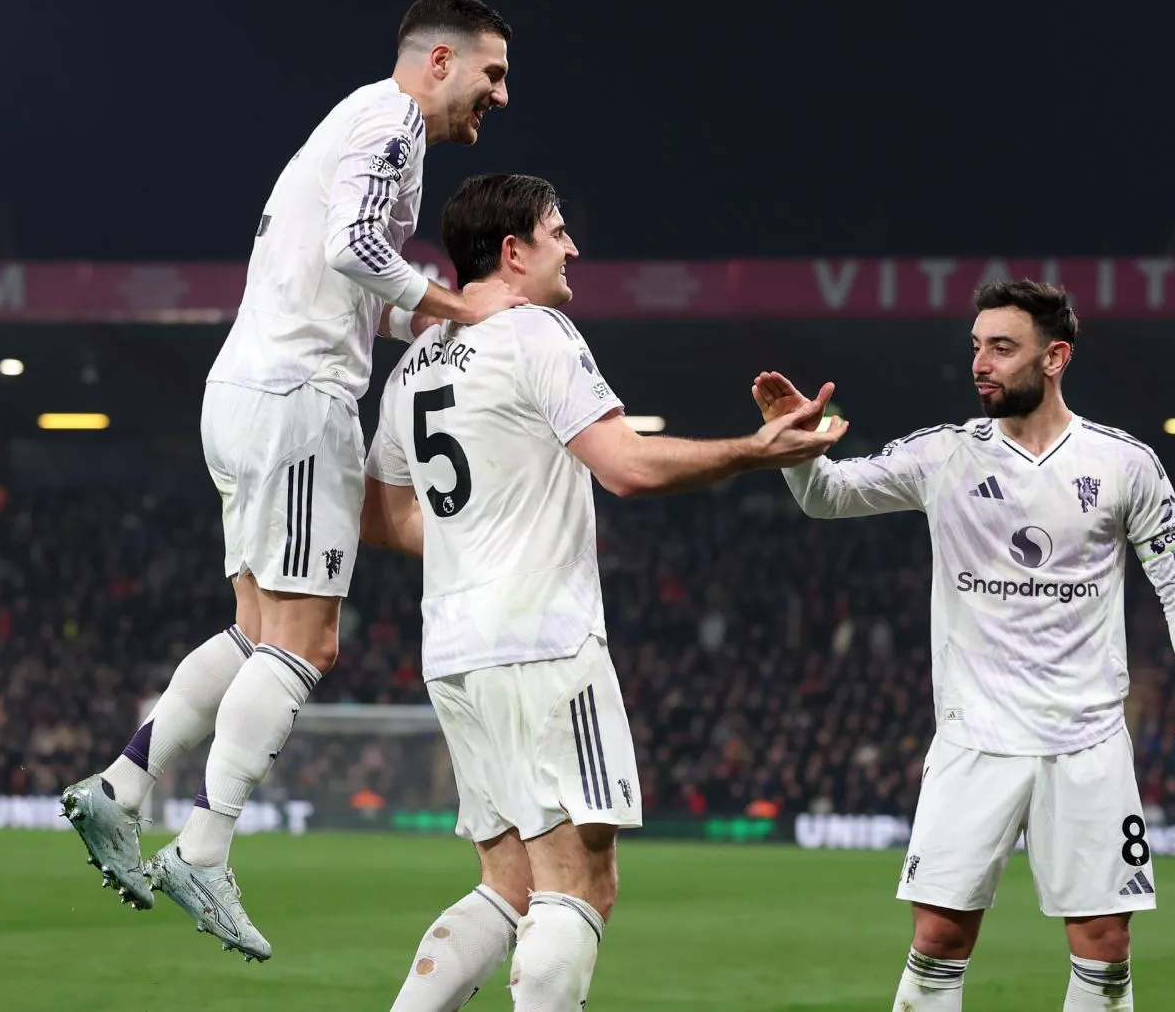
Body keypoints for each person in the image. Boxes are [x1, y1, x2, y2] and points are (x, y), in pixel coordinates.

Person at [60, 0, 524, 962]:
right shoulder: (392, 125)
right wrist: (473, 310)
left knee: (256, 629)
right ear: (437, 60)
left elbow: (357, 287)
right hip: (302, 399)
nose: (500, 96)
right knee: (308, 641)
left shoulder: (353, 124)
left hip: (244, 390)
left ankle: (122, 784)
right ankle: (205, 844)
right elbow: (353, 250)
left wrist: (441, 311)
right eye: (491, 74)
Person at [359, 173, 846, 1011]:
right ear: (513, 252)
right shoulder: (537, 332)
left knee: (508, 882)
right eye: (558, 231)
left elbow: (378, 514)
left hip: (454, 652)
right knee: (581, 883)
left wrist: (479, 531)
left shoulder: (414, 365)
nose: (573, 246)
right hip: (544, 642)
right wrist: (757, 451)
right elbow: (625, 467)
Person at [753, 279, 1175, 1012]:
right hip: (975, 739)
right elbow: (829, 497)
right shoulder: (945, 455)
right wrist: (797, 452)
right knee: (939, 938)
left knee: (1105, 944)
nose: (982, 362)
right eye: (976, 346)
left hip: (1087, 741)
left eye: (1002, 348)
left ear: (1055, 357)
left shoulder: (1122, 464)